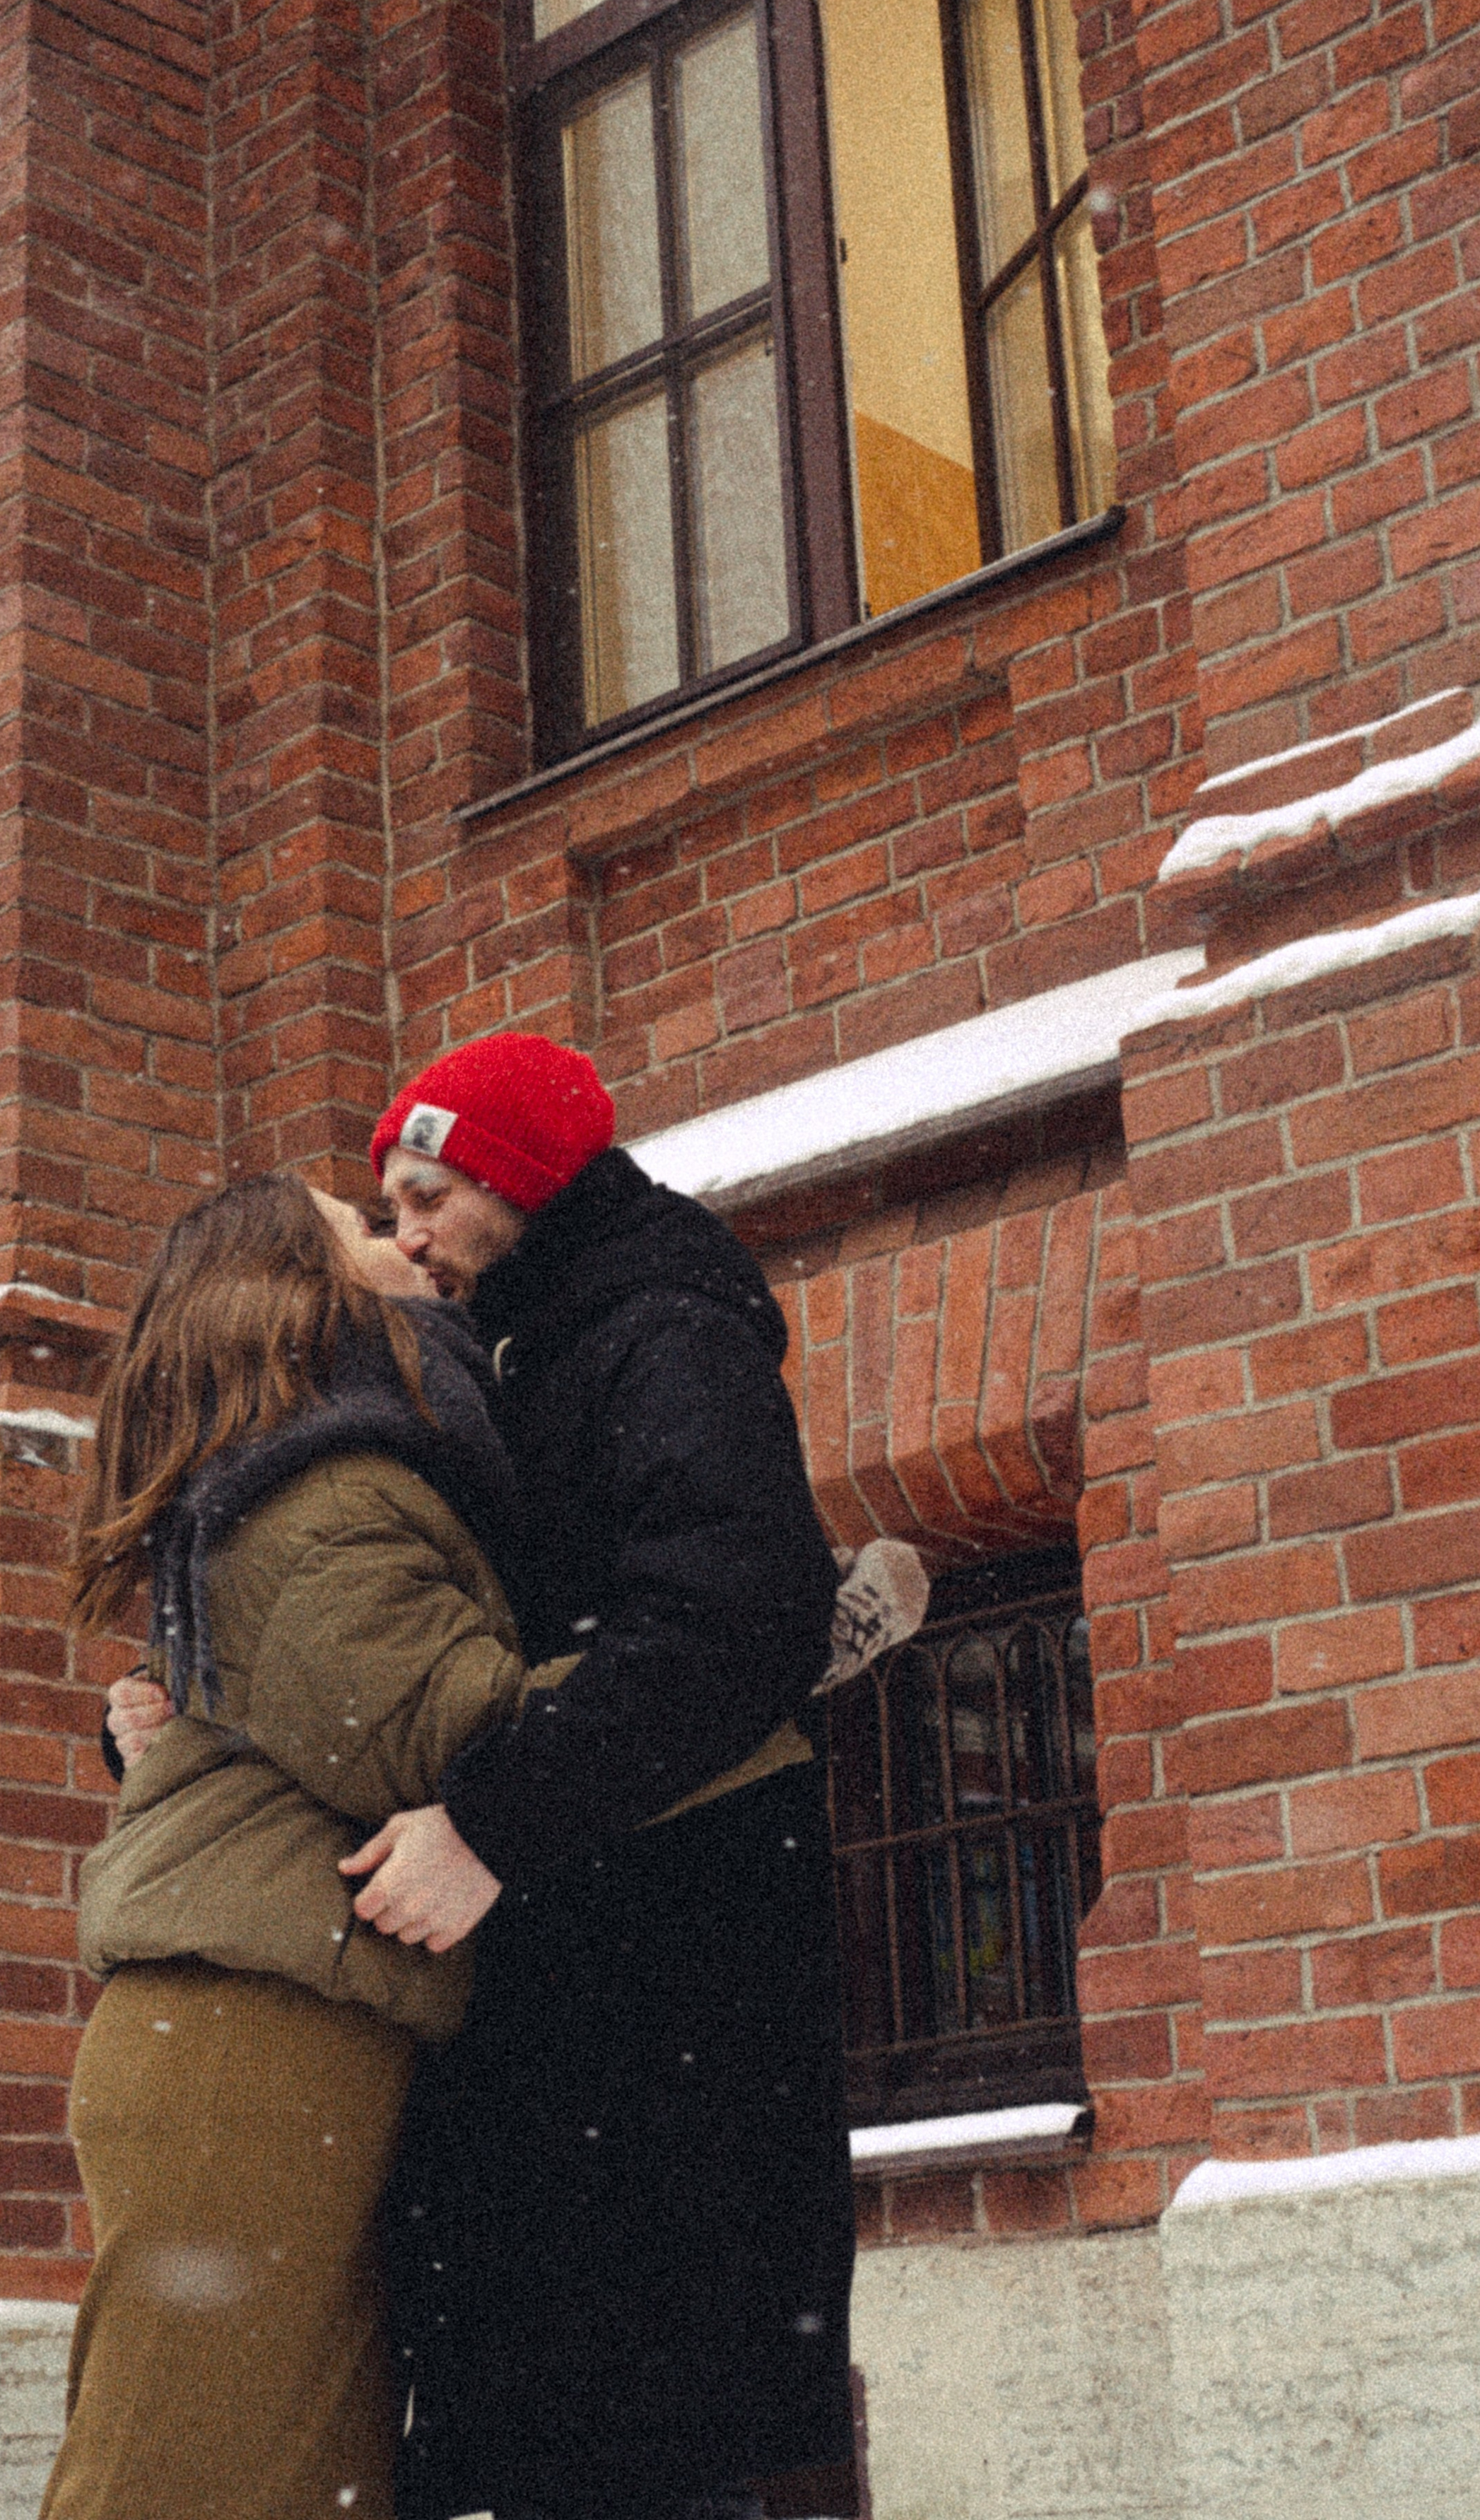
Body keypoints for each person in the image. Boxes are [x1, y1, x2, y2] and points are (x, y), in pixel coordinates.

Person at [354, 1033, 857, 2520]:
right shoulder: (543, 1340)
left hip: (667, 1993)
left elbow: (732, 1617)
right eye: (390, 1205)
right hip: (602, 1990)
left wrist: (488, 1828)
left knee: (647, 2441)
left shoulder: (656, 1335)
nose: (408, 1237)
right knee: (593, 2436)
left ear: (518, 1180)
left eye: (429, 1193)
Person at [41, 1171, 558, 2520]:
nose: (401, 1244)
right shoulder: (318, 1494)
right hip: (248, 2049)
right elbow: (445, 1734)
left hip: (270, 2034)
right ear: (300, 1285)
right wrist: (723, 1681)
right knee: (174, 2484)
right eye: (359, 1228)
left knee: (288, 2487)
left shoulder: (292, 1474)